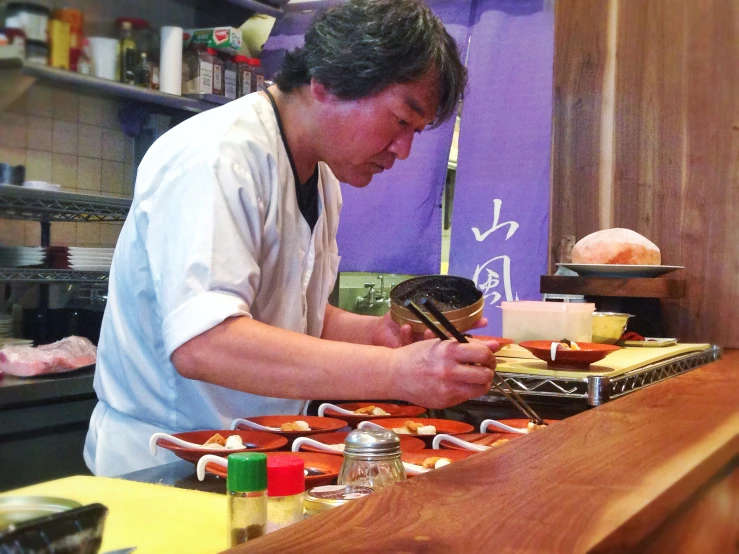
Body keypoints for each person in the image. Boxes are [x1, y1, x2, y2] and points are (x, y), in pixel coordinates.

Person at [84, 0, 497, 476]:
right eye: (402, 121)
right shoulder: (218, 156)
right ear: (326, 84)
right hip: (165, 463)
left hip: (261, 455)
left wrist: (379, 336)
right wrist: (397, 373)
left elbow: (292, 311)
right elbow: (204, 342)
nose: (403, 150)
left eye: (417, 132)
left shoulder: (323, 179)